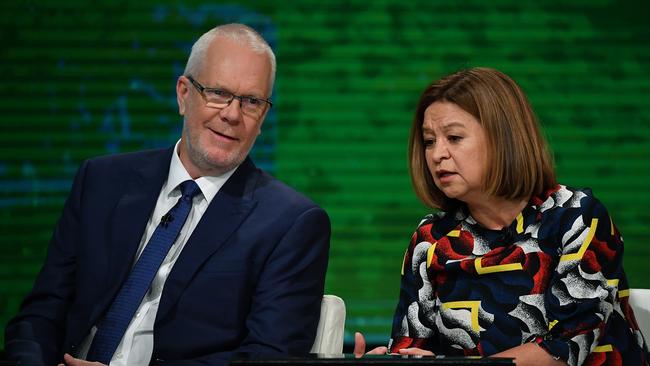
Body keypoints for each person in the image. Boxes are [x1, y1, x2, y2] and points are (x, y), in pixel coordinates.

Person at [4, 23, 330, 366]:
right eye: (218, 92)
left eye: (251, 101)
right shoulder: (101, 181)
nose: (232, 115)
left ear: (262, 116)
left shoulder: (291, 224)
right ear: (183, 94)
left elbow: (266, 358)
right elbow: (40, 315)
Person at [354, 67, 649, 365]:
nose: (436, 154)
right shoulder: (431, 240)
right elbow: (412, 345)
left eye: (454, 137)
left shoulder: (576, 217)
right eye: (429, 141)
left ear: (502, 138)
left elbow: (569, 346)